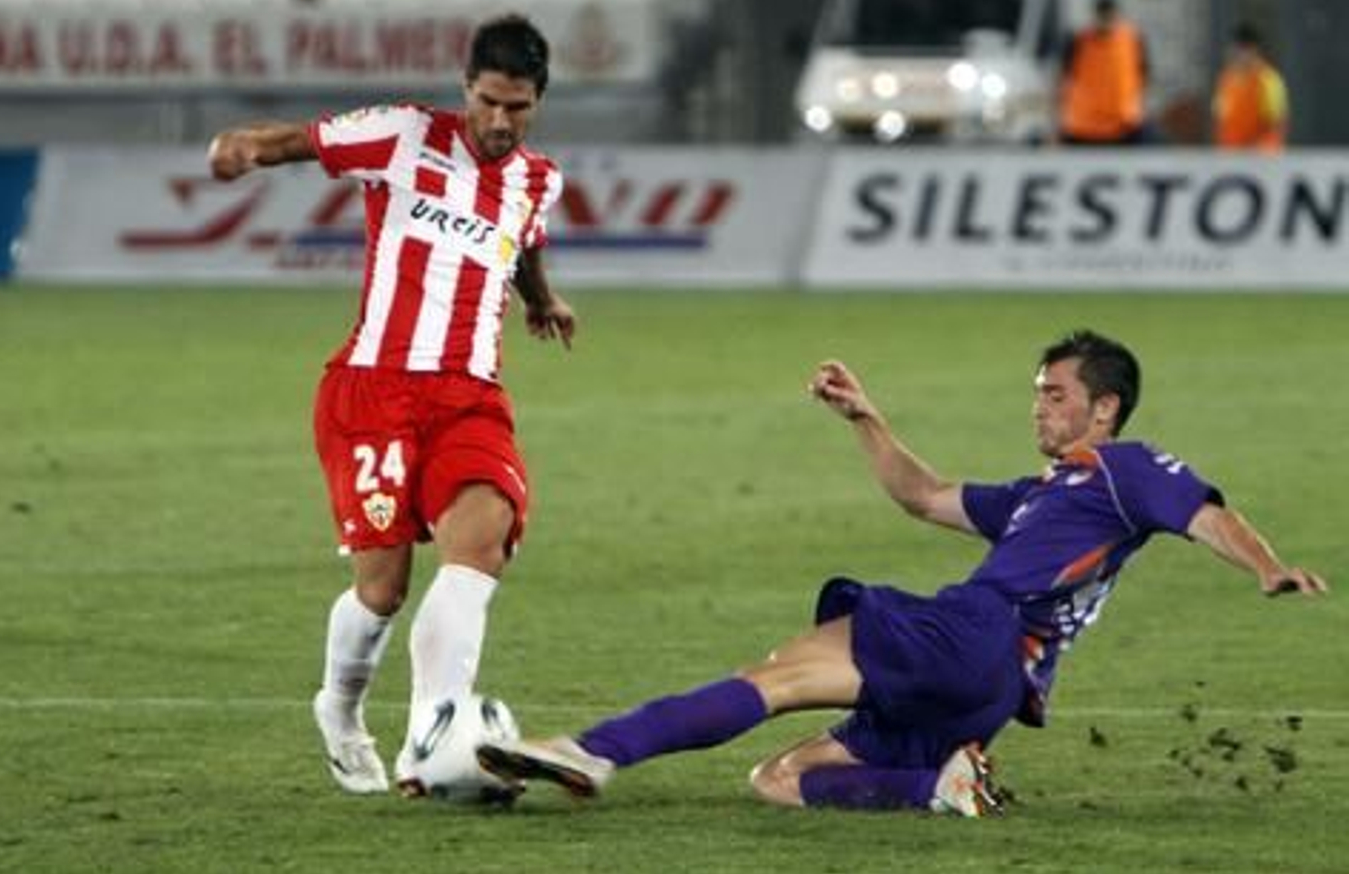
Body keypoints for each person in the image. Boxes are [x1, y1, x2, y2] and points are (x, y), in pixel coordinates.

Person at [479, 331, 1327, 815]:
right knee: (781, 780)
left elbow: (1204, 511)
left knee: (774, 674)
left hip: (973, 633)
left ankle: (592, 753)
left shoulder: (1124, 466)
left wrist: (1267, 568)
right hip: (991, 691)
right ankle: (939, 785)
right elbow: (925, 498)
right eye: (1037, 391)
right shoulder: (1045, 494)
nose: (1040, 404)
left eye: (1057, 394)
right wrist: (867, 420)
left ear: (1103, 409)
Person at [206, 14, 576, 796]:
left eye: (518, 108)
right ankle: (340, 709)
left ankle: (431, 737)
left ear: (538, 101)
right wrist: (243, 146)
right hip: (374, 390)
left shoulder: (539, 179)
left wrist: (541, 300)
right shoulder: (403, 134)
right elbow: (300, 142)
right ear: (465, 89)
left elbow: (523, 240)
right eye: (488, 102)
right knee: (382, 593)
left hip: (471, 396)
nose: (501, 122)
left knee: (482, 543)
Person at [1057, 0, 1151, 145]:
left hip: (1123, 125)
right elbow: (1064, 79)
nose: (1106, 20)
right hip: (1083, 127)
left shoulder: (1132, 40)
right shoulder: (1079, 41)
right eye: (1103, 15)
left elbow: (1143, 76)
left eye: (1109, 15)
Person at [1212, 22, 1289, 152]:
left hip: (1259, 161)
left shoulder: (1268, 79)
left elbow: (1277, 123)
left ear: (1253, 50)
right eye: (1233, 50)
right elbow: (1221, 120)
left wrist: (1261, 153)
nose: (1234, 55)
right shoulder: (1226, 79)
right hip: (1229, 159)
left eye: (1240, 50)